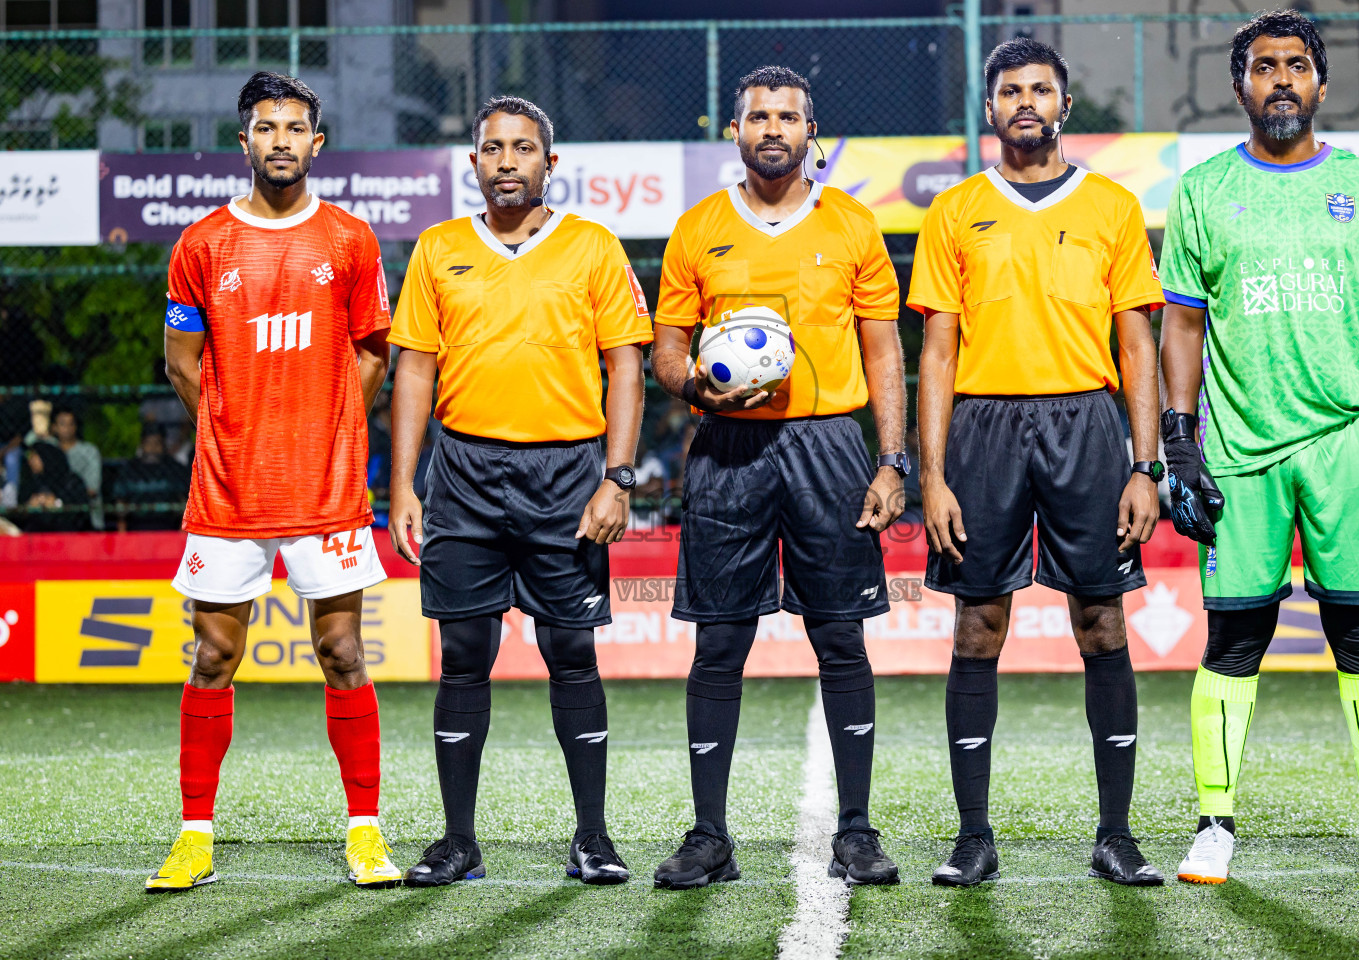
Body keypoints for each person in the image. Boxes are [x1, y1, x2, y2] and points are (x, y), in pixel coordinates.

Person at [1158, 9, 1359, 886]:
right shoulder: (1202, 190)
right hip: (1241, 445)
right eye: (1264, 66)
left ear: (1320, 82)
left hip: (1351, 440)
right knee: (1234, 638)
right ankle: (1214, 825)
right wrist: (1178, 440)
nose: (1281, 79)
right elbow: (1182, 325)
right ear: (1239, 85)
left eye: (1297, 65)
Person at [909, 38, 1166, 888]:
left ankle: (1116, 834)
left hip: (1087, 425)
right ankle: (973, 837)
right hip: (982, 429)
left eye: (1041, 90)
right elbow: (936, 352)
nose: (1026, 102)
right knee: (978, 623)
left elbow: (1138, 341)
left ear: (1064, 105)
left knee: (1103, 622)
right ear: (991, 111)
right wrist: (933, 473)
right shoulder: (954, 211)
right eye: (1011, 91)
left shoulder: (1114, 208)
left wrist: (1146, 464)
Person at [649, 66, 907, 889]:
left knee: (840, 637)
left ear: (809, 132)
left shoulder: (855, 226)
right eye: (757, 115)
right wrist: (697, 385)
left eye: (788, 117)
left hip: (829, 443)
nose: (772, 128)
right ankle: (709, 837)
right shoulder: (697, 230)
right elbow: (665, 350)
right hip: (727, 444)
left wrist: (892, 460)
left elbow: (884, 352)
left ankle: (857, 832)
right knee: (720, 643)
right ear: (734, 131)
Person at [388, 95, 651, 887]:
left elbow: (628, 365)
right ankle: (458, 840)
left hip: (568, 477)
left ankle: (593, 838)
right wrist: (403, 483)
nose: (507, 160)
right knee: (463, 655)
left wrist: (619, 476)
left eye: (523, 148)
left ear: (550, 162)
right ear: (473, 162)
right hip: (463, 473)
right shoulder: (437, 249)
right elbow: (414, 369)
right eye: (493, 148)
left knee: (571, 653)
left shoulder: (593, 247)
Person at [146, 72, 399, 893]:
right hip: (229, 491)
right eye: (266, 127)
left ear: (316, 144)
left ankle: (365, 831)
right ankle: (194, 836)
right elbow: (181, 361)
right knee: (213, 657)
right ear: (244, 141)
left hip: (325, 489)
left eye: (296, 128)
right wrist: (231, 424)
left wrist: (330, 426)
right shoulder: (201, 245)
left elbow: (371, 352)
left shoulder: (352, 241)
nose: (281, 140)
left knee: (342, 651)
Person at [108, 428, 191, 532]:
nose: (153, 448)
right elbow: (120, 503)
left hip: (168, 526)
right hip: (136, 526)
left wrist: (181, 532)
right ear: (142, 445)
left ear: (163, 445)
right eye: (148, 443)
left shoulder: (175, 468)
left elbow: (185, 502)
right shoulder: (130, 469)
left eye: (157, 443)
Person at [16, 441, 89, 532]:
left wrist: (57, 503)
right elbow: (19, 513)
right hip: (36, 533)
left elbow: (81, 512)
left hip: (67, 533)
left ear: (45, 457)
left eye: (34, 456)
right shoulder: (30, 481)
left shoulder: (70, 480)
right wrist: (29, 506)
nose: (30, 460)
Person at [53, 408, 103, 530]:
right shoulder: (48, 450)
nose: (67, 428)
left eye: (71, 424)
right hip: (54, 520)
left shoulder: (90, 451)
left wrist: (59, 500)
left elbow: (92, 490)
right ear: (53, 427)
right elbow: (30, 440)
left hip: (86, 518)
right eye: (62, 423)